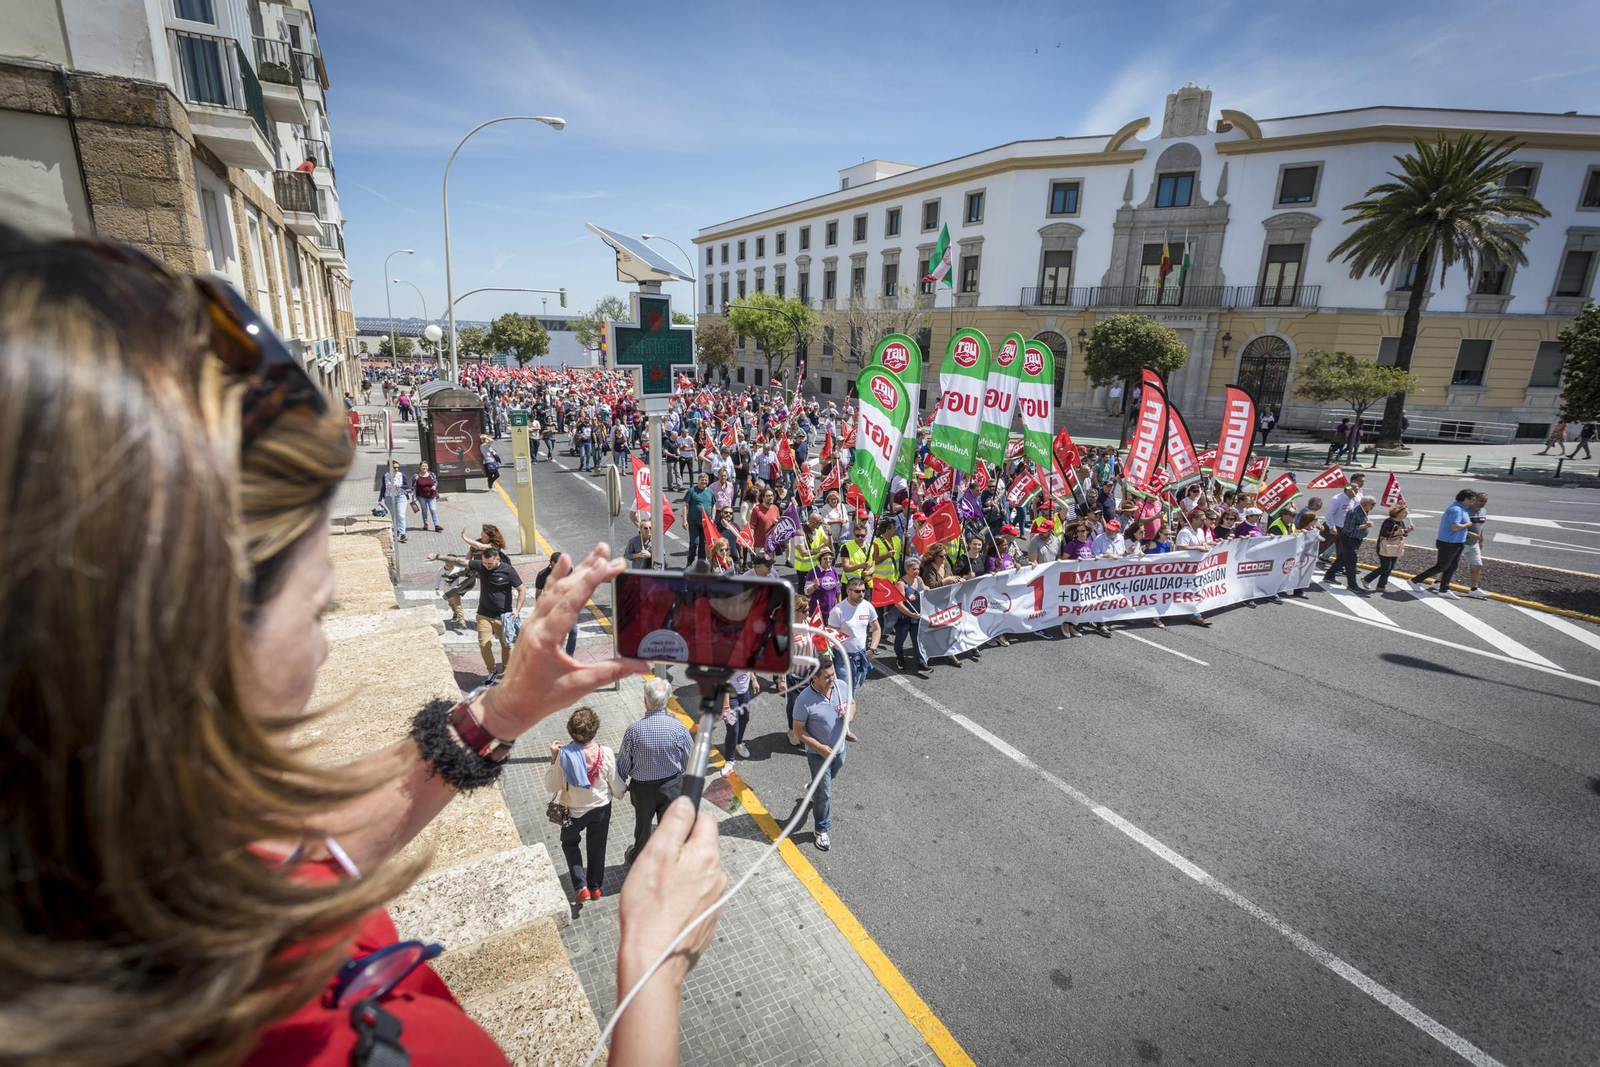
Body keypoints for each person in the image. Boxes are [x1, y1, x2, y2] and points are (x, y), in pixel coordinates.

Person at [0, 226, 718, 1066]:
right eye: (312, 611)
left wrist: (495, 713)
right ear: (170, 642)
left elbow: (298, 863)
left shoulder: (104, 861)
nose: (327, 647)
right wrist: (653, 968)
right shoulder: (317, 1046)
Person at [544, 707, 625, 904]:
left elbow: (551, 786)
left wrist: (554, 758)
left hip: (572, 811)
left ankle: (581, 885)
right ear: (595, 729)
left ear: (570, 731)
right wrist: (621, 792)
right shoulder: (604, 753)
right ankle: (596, 888)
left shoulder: (564, 756)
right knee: (597, 847)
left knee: (570, 844)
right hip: (600, 809)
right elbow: (616, 784)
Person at [617, 676, 694, 864]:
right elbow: (689, 760)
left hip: (642, 789)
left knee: (642, 827)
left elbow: (623, 764)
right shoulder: (678, 728)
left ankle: (638, 858)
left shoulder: (634, 731)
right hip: (671, 786)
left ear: (645, 702)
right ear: (666, 701)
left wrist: (618, 784)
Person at [790, 658, 854, 852]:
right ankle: (821, 829)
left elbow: (852, 702)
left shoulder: (841, 686)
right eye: (826, 677)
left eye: (833, 674)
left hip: (839, 750)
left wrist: (849, 715)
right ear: (814, 678)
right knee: (824, 794)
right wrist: (818, 747)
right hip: (818, 755)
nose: (832, 679)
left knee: (822, 786)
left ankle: (813, 787)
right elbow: (798, 730)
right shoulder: (804, 700)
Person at [1407, 488, 1477, 598]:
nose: (1474, 502)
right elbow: (1454, 527)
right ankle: (1415, 580)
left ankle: (1444, 589)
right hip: (1449, 543)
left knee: (1452, 566)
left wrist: (1467, 531)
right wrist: (1468, 525)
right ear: (1465, 499)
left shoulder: (1463, 508)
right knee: (1441, 566)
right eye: (1472, 499)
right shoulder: (1456, 510)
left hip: (1457, 542)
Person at [471, 546, 524, 678]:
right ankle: (492, 671)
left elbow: (522, 590)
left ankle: (507, 671)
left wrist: (516, 611)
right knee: (484, 645)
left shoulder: (508, 571)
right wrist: (438, 557)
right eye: (484, 563)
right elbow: (460, 562)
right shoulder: (481, 566)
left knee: (506, 645)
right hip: (483, 614)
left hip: (503, 616)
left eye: (489, 563)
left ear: (497, 559)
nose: (486, 566)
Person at [827, 579, 880, 704]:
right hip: (842, 658)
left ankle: (846, 711)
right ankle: (842, 718)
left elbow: (877, 629)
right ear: (848, 591)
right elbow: (830, 638)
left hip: (861, 656)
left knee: (856, 685)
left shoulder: (867, 606)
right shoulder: (838, 611)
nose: (861, 594)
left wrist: (872, 649)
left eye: (863, 591)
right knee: (844, 692)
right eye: (857, 591)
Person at [891, 557, 930, 676]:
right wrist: (910, 613)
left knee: (917, 639)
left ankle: (921, 663)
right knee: (900, 639)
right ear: (907, 570)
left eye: (918, 568)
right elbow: (898, 604)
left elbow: (924, 589)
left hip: (917, 617)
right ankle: (899, 657)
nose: (917, 571)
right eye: (914, 569)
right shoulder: (901, 584)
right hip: (904, 618)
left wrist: (927, 589)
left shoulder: (918, 579)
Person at [535, 552, 580, 656]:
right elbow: (538, 592)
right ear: (552, 563)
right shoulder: (542, 575)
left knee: (573, 631)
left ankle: (569, 655)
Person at [1361, 503, 1414, 591]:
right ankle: (1366, 579)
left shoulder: (1401, 522)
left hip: (1395, 547)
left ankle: (1381, 586)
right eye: (1405, 512)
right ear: (1398, 512)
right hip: (1385, 547)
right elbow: (1384, 533)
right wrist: (1397, 532)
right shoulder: (1388, 521)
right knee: (1385, 567)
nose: (1406, 514)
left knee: (1390, 567)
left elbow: (1403, 534)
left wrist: (1407, 531)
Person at [1330, 495, 1376, 591]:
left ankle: (1329, 575)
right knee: (1351, 561)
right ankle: (1352, 585)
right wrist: (1364, 526)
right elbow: (1348, 529)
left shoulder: (1364, 511)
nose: (1374, 506)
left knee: (1343, 559)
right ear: (1365, 503)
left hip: (1357, 539)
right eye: (1373, 504)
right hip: (1349, 539)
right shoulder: (1353, 513)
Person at [719, 670, 760, 769]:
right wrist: (726, 707)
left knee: (745, 718)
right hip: (730, 698)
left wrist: (753, 679)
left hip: (744, 693)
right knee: (733, 728)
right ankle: (729, 760)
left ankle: (738, 743)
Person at [378, 457, 413, 543]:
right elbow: (383, 487)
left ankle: (402, 534)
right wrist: (379, 499)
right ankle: (397, 530)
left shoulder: (401, 475)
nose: (396, 469)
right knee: (394, 516)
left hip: (401, 497)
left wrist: (400, 485)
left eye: (398, 467)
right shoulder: (385, 476)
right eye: (394, 467)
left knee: (401, 515)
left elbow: (407, 486)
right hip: (389, 498)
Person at [1463, 492, 1491, 599]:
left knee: (1477, 565)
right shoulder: (1466, 511)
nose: (1483, 503)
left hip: (1474, 544)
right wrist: (1469, 534)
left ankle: (1474, 589)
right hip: (1462, 542)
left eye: (1485, 502)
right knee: (1450, 564)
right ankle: (1438, 581)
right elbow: (1457, 526)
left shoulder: (1484, 512)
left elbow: (1481, 527)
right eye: (1480, 501)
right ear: (1474, 499)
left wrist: (1481, 541)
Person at [683, 473, 715, 565]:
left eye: (706, 480)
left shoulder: (710, 492)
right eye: (702, 479)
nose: (704, 481)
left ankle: (701, 564)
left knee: (703, 544)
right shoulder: (692, 491)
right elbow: (685, 505)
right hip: (694, 522)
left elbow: (713, 505)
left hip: (706, 523)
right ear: (698, 480)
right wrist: (684, 520)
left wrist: (712, 518)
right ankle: (689, 562)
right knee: (694, 543)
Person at [414, 460, 441, 532]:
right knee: (424, 510)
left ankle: (436, 525)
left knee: (433, 509)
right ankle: (425, 524)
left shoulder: (431, 474)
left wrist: (435, 486)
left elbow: (435, 482)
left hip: (432, 496)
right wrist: (413, 498)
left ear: (428, 467)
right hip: (421, 496)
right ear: (419, 467)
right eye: (423, 466)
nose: (424, 467)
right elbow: (413, 487)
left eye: (426, 466)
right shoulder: (416, 476)